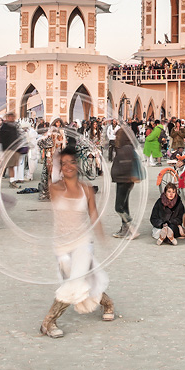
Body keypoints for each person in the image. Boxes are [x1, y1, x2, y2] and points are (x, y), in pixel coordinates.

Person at [40, 147, 115, 339]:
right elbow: (52, 172)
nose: (68, 167)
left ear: (77, 164)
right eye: (63, 164)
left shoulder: (87, 190)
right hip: (62, 245)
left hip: (82, 242)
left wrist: (102, 237)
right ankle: (107, 303)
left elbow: (93, 215)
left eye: (71, 162)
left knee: (75, 282)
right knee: (81, 281)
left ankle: (49, 322)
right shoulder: (54, 188)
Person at [110, 128, 140, 239]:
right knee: (124, 205)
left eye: (117, 137)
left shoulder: (126, 149)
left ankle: (131, 227)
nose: (116, 139)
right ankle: (125, 228)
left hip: (124, 181)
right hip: (122, 180)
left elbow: (126, 166)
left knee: (118, 207)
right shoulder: (125, 148)